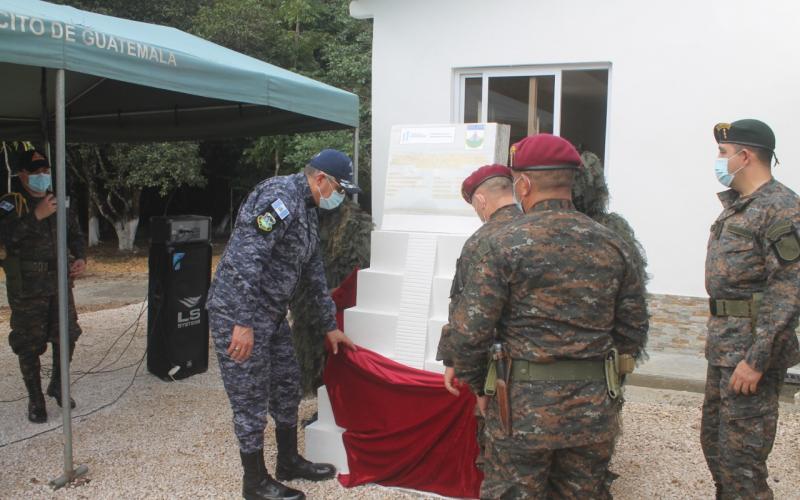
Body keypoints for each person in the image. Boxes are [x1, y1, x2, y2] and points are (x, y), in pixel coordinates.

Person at [447, 134, 649, 498]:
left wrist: (481, 387)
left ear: (522, 184)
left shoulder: (502, 244)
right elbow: (634, 330)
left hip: (521, 410)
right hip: (593, 411)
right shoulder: (613, 244)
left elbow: (468, 333)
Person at [206, 149, 358, 500]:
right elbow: (248, 258)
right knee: (250, 398)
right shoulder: (280, 198)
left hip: (270, 316)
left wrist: (327, 324)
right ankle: (254, 482)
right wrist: (242, 322)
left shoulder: (306, 207)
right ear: (320, 179)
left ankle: (288, 460)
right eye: (339, 188)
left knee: (287, 385)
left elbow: (313, 271)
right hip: (239, 314)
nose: (340, 198)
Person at [702, 119, 800, 499]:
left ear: (745, 156)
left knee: (742, 463)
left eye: (723, 153)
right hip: (724, 349)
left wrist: (757, 359)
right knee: (716, 447)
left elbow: (789, 288)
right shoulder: (741, 207)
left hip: (749, 355)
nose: (719, 160)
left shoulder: (780, 208)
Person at [0, 149, 86, 423]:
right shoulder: (12, 204)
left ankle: (58, 385)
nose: (42, 176)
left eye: (45, 171)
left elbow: (76, 234)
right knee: (29, 343)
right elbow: (6, 239)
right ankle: (35, 399)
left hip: (60, 283)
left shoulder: (59, 201)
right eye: (36, 172)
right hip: (28, 287)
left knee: (67, 334)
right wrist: (36, 215)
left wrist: (80, 257)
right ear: (22, 175)